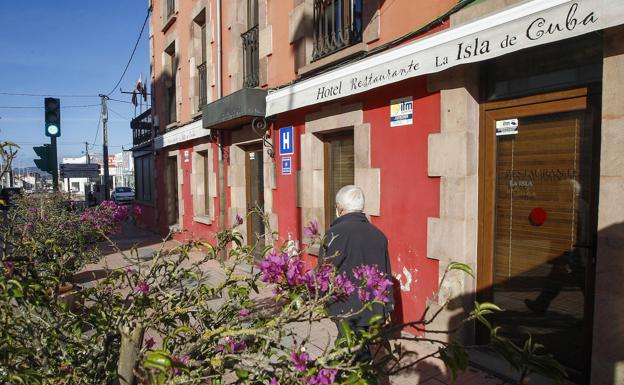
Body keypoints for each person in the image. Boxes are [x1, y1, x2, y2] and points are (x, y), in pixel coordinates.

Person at [319, 185, 394, 346]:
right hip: (372, 305)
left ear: (340, 208)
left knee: (350, 346)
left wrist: (321, 300)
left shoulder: (334, 234)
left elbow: (325, 270)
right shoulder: (379, 235)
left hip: (345, 305)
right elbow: (385, 272)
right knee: (360, 345)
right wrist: (387, 306)